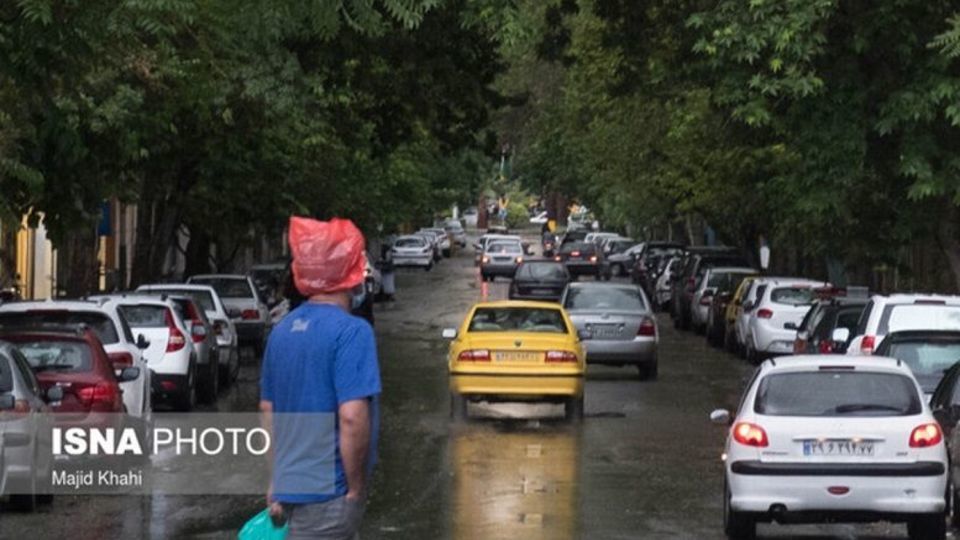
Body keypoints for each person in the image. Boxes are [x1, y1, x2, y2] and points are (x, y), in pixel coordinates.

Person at [261, 218, 381, 540]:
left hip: (292, 489)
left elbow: (269, 413)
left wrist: (276, 481)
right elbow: (353, 417)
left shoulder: (281, 332)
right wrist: (355, 488)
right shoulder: (353, 333)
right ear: (351, 273)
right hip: (331, 494)